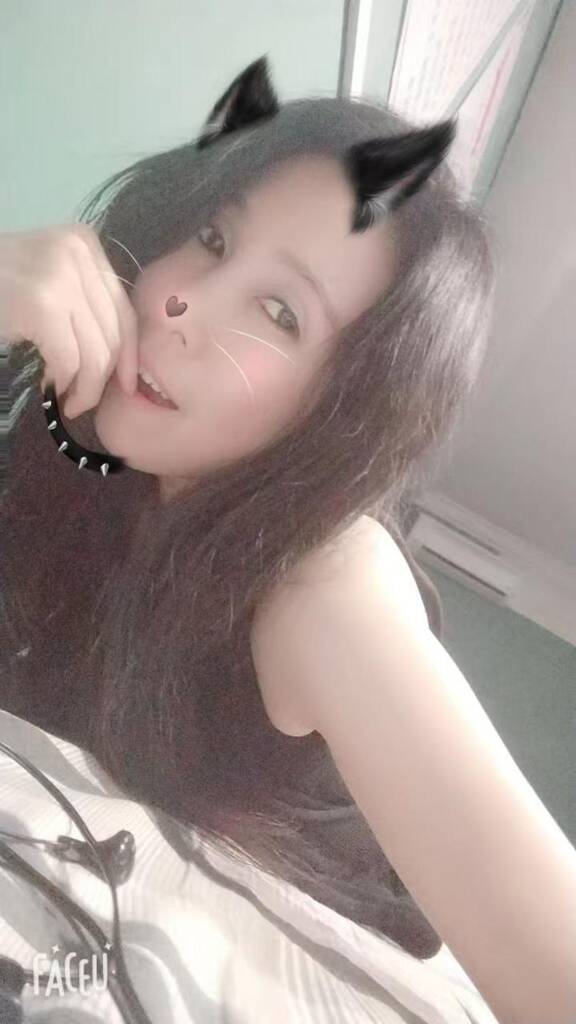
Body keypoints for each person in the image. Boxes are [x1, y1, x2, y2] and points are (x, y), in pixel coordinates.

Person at [7, 55, 574, 1023]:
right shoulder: (91, 462)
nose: (184, 303)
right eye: (213, 238)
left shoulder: (327, 582)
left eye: (279, 312)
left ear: (340, 416)